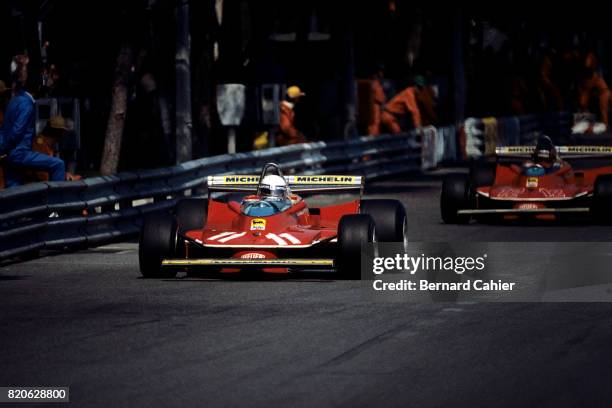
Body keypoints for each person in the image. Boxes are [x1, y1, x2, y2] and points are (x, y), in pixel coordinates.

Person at [0, 55, 65, 187]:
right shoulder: (27, 104)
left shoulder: (15, 100)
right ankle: (57, 205)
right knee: (58, 164)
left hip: (10, 155)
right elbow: (16, 132)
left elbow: (5, 129)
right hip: (19, 154)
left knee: (14, 191)